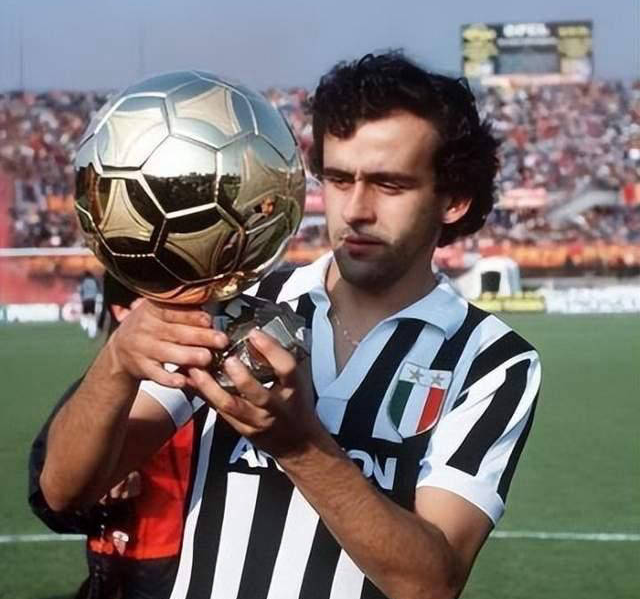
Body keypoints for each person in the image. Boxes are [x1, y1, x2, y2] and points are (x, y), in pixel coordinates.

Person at [41, 51, 541, 599]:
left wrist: (300, 446)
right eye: (339, 179)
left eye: (390, 185)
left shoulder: (493, 361)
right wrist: (115, 364)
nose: (356, 209)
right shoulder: (237, 302)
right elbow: (65, 490)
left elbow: (429, 583)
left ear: (455, 200)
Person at [30, 273, 193, 599]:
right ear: (122, 311)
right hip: (124, 562)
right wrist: (98, 481)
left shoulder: (209, 379)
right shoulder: (97, 395)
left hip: (195, 560)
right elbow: (49, 498)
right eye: (159, 304)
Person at [79, 270, 100, 338]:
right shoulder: (94, 281)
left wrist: (82, 298)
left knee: (85, 314)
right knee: (92, 315)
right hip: (92, 300)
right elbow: (98, 289)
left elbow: (81, 290)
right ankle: (92, 332)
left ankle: (85, 326)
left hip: (86, 300)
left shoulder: (84, 281)